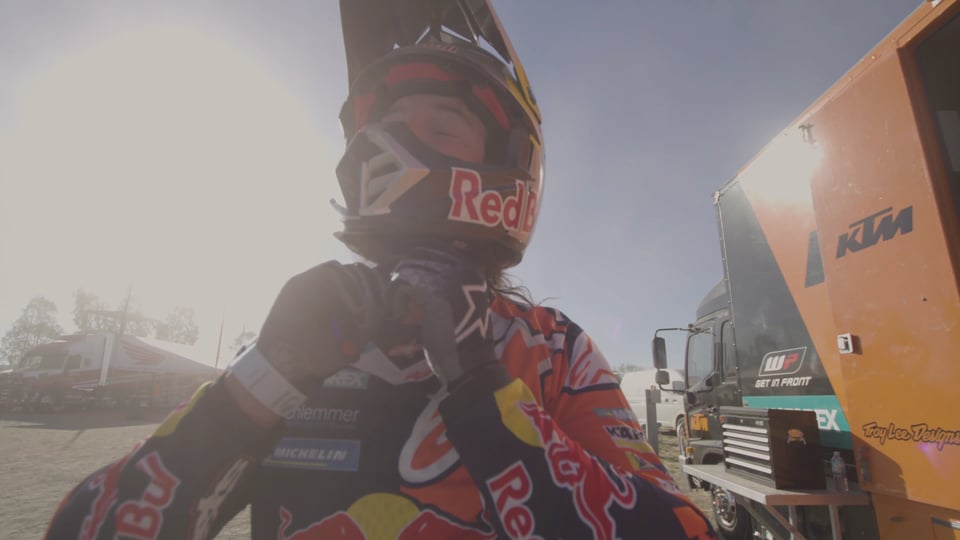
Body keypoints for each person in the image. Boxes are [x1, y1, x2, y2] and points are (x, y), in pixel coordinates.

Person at [47, 2, 716, 538]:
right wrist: (257, 385)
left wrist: (483, 390)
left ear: (508, 167)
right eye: (389, 122)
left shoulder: (550, 347)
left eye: (441, 124)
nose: (394, 142)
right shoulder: (309, 334)